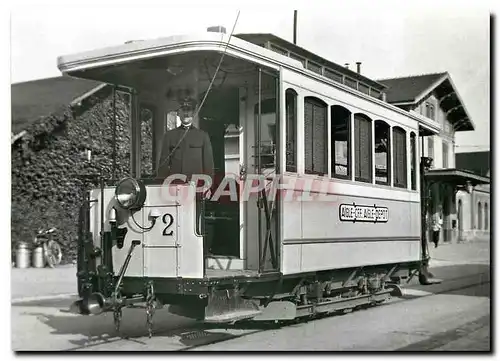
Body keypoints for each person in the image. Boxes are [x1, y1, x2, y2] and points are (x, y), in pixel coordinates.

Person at [157, 98, 214, 182]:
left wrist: (208, 186)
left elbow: (208, 165)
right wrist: (161, 185)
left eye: (189, 110)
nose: (186, 113)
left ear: (193, 113)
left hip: (197, 185)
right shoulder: (169, 136)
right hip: (175, 185)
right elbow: (163, 165)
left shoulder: (202, 136)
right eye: (183, 110)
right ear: (178, 113)